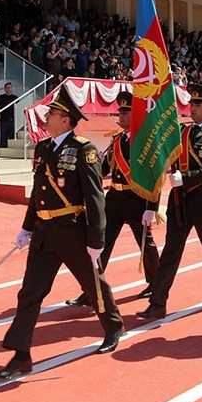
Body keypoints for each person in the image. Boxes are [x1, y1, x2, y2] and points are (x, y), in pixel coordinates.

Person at [0, 87, 124, 379]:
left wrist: (96, 241)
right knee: (29, 293)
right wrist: (26, 227)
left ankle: (113, 326)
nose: (47, 116)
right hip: (44, 232)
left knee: (93, 284)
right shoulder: (43, 148)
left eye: (51, 113)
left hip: (73, 232)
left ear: (65, 120)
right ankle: (21, 355)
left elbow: (95, 197)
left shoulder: (84, 150)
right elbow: (37, 193)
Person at [137, 84, 202, 320]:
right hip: (180, 202)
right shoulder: (180, 132)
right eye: (191, 104)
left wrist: (186, 178)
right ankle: (158, 302)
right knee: (170, 251)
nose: (193, 108)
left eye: (198, 104)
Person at [66, 92, 161, 306]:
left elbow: (156, 175)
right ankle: (91, 289)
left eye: (125, 113)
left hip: (138, 199)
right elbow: (106, 169)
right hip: (115, 199)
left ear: (135, 116)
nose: (121, 116)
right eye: (119, 112)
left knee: (146, 245)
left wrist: (152, 206)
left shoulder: (145, 141)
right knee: (100, 243)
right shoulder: (116, 140)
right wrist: (96, 163)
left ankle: (156, 284)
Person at [0, 82, 18, 148]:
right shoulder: (1, 97)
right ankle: (3, 150)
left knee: (12, 137)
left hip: (13, 120)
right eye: (7, 87)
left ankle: (11, 151)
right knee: (3, 136)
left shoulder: (15, 98)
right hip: (3, 120)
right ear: (5, 89)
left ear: (12, 88)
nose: (8, 89)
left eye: (10, 87)